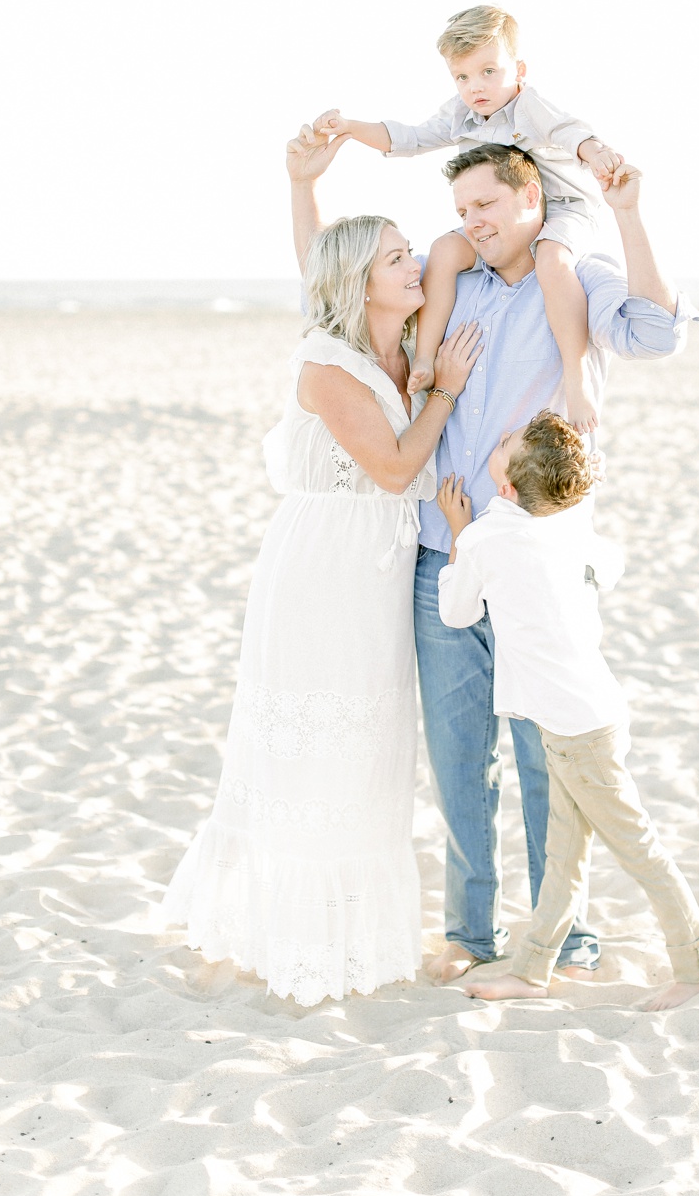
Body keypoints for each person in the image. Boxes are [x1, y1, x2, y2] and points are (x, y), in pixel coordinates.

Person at [294, 137, 699, 985]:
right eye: (462, 210)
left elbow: (659, 333)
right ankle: (472, 934)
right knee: (457, 758)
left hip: (541, 567)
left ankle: (567, 935)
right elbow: (340, 284)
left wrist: (626, 212)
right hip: (441, 556)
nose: (471, 223)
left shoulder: (575, 282)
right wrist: (303, 188)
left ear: (531, 203)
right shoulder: (438, 289)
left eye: (486, 206)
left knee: (547, 757)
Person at [161, 127, 481, 1007]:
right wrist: (444, 391)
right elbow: (393, 467)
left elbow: (356, 255)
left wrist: (305, 187)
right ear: (360, 284)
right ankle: (293, 931)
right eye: (394, 257)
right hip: (322, 573)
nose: (414, 262)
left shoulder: (403, 333)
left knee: (371, 743)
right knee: (315, 748)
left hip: (377, 571)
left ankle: (352, 924)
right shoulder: (327, 362)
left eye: (408, 251)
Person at [435, 413, 699, 1009]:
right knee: (563, 857)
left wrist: (458, 533)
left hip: (577, 734)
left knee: (638, 849)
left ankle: (696, 968)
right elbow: (609, 563)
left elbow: (458, 614)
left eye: (507, 443)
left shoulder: (487, 537)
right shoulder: (562, 530)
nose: (501, 437)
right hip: (587, 719)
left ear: (507, 488)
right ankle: (533, 969)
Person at [314, 4, 624, 432]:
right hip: (497, 221)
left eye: (488, 72)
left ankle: (576, 374)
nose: (475, 87)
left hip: (562, 210)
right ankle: (425, 356)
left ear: (518, 69)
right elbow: (411, 138)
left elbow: (570, 132)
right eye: (462, 77)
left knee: (553, 260)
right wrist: (350, 127)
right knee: (444, 250)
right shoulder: (461, 114)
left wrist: (597, 153)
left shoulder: (529, 107)